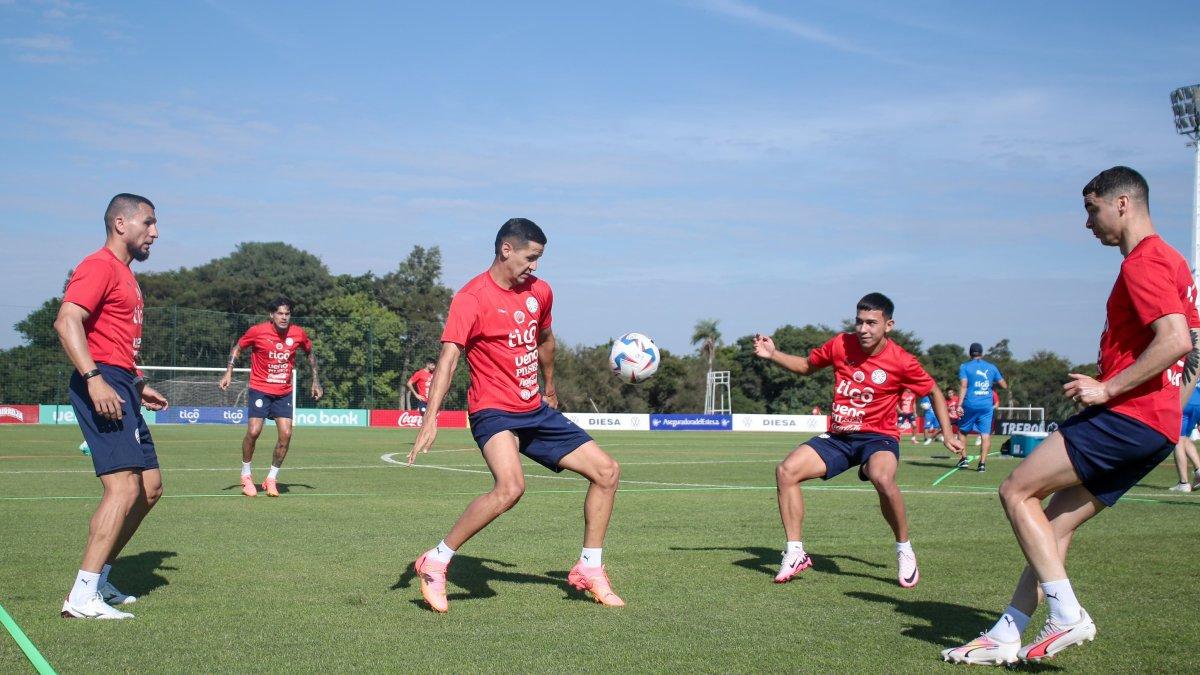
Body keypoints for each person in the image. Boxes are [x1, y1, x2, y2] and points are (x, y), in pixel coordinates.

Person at [942, 166, 1200, 665]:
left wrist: (1109, 388)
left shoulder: (1143, 263)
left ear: (1121, 204)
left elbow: (1174, 342)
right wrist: (1165, 402)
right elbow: (1192, 351)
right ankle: (1007, 633)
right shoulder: (1177, 263)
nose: (1087, 223)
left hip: (1129, 416)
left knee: (1016, 490)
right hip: (1158, 427)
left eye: (1091, 208)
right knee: (1053, 528)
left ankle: (1066, 615)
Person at [406, 218, 624, 613]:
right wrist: (430, 417)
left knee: (607, 472)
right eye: (531, 257)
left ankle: (589, 568)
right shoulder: (471, 298)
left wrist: (551, 385)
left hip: (534, 409)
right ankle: (436, 560)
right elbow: (449, 358)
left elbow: (545, 339)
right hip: (493, 411)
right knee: (510, 488)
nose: (535, 267)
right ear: (506, 250)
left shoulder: (540, 292)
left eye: (539, 258)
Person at [753, 293, 963, 588]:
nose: (863, 329)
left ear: (888, 325)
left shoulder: (902, 360)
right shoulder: (840, 344)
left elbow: (934, 391)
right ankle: (795, 553)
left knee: (881, 477)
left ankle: (904, 549)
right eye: (859, 321)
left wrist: (948, 433)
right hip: (841, 436)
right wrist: (773, 354)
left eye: (871, 323)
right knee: (786, 470)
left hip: (879, 438)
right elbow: (806, 366)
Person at [54, 194, 168, 619]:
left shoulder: (126, 276)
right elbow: (67, 321)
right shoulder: (99, 265)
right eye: (149, 223)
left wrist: (137, 384)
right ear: (121, 224)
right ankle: (81, 597)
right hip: (100, 382)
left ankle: (99, 580)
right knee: (122, 488)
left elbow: (113, 342)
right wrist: (93, 378)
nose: (155, 232)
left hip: (121, 382)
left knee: (150, 489)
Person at [219, 297, 322, 497]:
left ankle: (271, 478)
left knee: (286, 434)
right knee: (254, 431)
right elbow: (238, 348)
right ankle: (246, 475)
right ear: (272, 315)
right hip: (260, 389)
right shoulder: (257, 331)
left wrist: (315, 380)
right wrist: (229, 372)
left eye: (287, 314)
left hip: (283, 392)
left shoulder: (298, 333)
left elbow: (310, 354)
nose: (284, 317)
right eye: (280, 314)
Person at [958, 343, 1008, 471]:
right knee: (985, 435)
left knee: (962, 432)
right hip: (986, 405)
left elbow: (963, 386)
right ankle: (982, 464)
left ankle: (964, 460)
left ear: (970, 354)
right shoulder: (991, 367)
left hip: (970, 403)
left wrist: (959, 404)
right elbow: (1004, 385)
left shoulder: (965, 367)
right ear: (982, 354)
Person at [1169, 375, 1200, 492]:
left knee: (1177, 441)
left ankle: (1183, 483)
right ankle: (1199, 471)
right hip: (1198, 403)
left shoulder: (1183, 359)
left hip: (1185, 401)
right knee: (1185, 438)